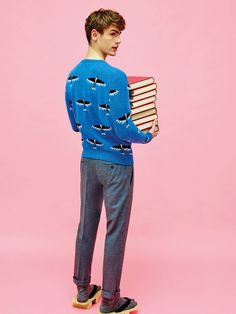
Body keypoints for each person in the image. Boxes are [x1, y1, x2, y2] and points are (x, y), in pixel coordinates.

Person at [64, 8, 159, 314]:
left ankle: (82, 289)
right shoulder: (116, 77)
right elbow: (122, 128)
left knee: (86, 224)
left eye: (120, 34)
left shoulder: (73, 75)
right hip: (117, 163)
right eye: (113, 34)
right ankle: (110, 299)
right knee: (115, 229)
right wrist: (148, 134)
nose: (118, 41)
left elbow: (75, 122)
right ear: (96, 34)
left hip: (88, 161)